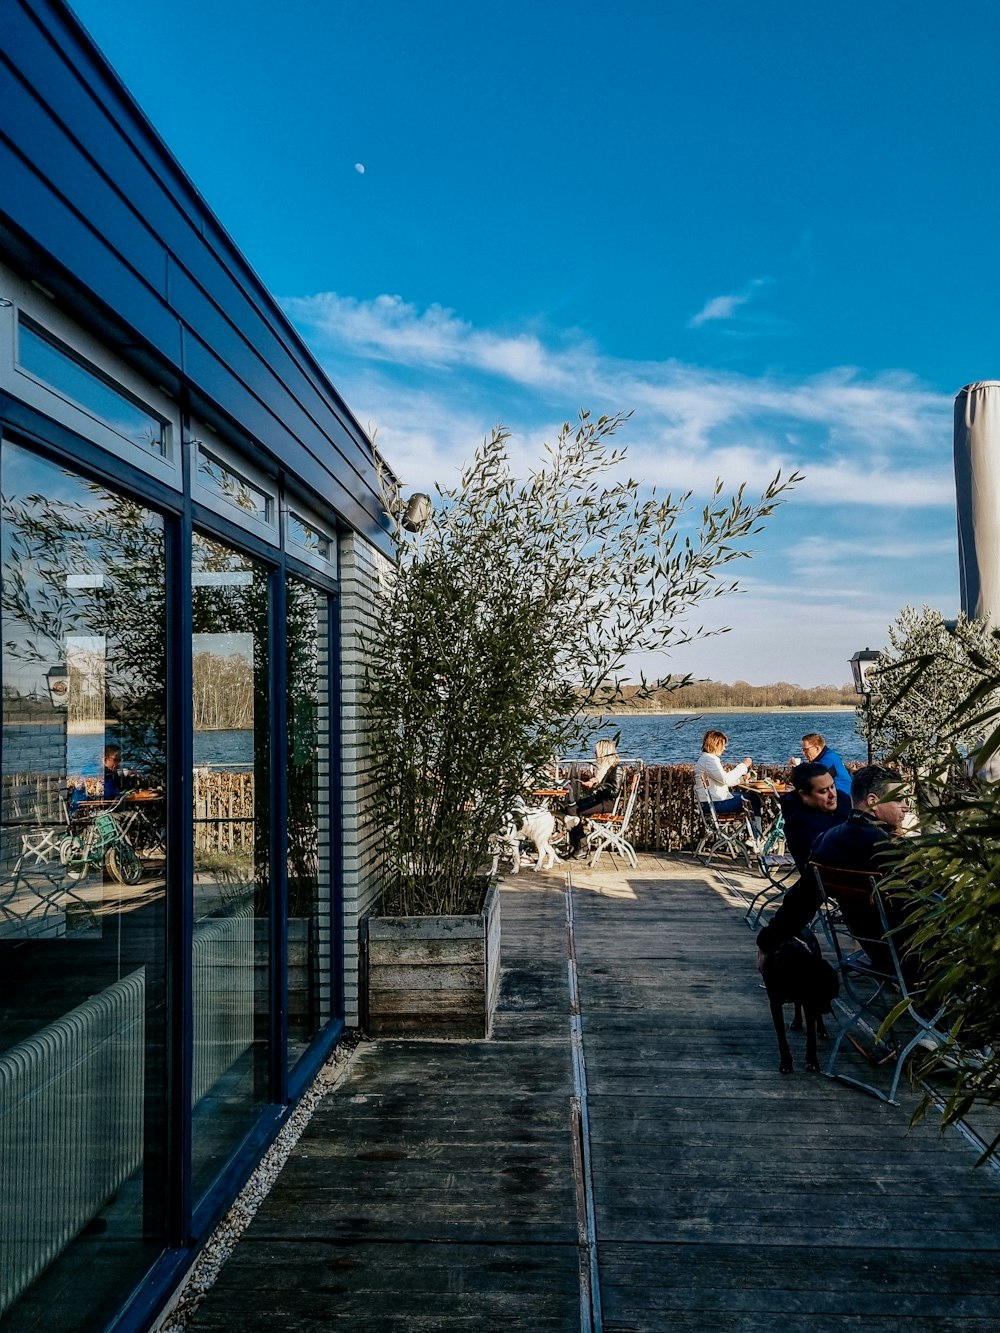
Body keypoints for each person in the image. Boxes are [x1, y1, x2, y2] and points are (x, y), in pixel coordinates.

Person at [757, 764, 909, 961]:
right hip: (916, 956)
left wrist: (767, 942)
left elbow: (801, 901)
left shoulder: (827, 843)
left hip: (878, 952)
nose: (906, 806)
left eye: (832, 787)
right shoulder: (888, 849)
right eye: (898, 799)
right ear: (872, 801)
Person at [780, 761, 852, 876]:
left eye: (832, 786)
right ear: (804, 795)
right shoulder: (799, 824)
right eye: (823, 791)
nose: (832, 794)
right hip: (831, 881)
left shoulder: (842, 801)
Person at [693, 729, 762, 840]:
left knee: (752, 798)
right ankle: (756, 837)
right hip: (715, 804)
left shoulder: (706, 759)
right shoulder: (710, 760)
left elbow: (723, 780)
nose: (724, 749)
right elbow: (726, 780)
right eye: (723, 745)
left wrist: (742, 780)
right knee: (753, 800)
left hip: (710, 802)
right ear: (716, 744)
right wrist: (743, 765)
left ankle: (755, 836)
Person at [566, 738, 621, 857]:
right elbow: (604, 785)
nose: (594, 753)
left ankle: (581, 846)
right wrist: (594, 783)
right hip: (599, 799)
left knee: (572, 810)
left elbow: (614, 791)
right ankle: (577, 846)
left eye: (596, 751)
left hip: (606, 803)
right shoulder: (606, 768)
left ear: (603, 752)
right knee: (570, 808)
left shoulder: (616, 769)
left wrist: (596, 785)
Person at [789, 732, 852, 797]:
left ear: (817, 748)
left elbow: (812, 780)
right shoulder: (823, 757)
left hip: (844, 798)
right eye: (802, 750)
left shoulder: (828, 759)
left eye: (806, 750)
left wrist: (796, 769)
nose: (803, 753)